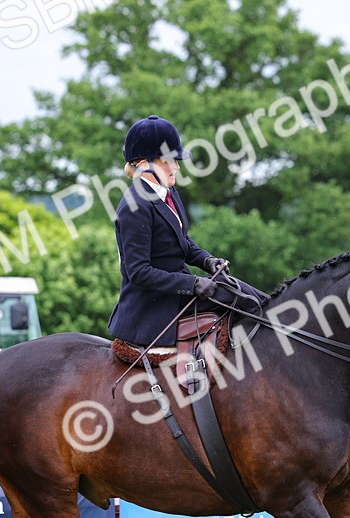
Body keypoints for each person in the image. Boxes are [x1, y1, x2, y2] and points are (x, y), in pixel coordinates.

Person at [107, 114, 269, 347]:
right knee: (240, 297)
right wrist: (192, 284)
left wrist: (207, 261)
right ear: (144, 164)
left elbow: (182, 241)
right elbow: (139, 272)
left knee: (240, 290)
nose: (176, 166)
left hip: (176, 291)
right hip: (152, 305)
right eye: (168, 161)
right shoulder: (134, 207)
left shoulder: (168, 192)